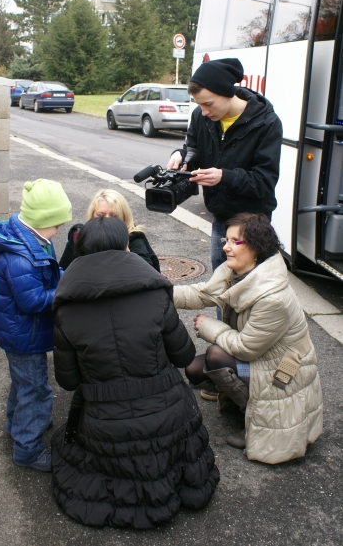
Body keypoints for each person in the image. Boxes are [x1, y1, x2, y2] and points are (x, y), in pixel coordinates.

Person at [51, 217, 219, 529]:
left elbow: (68, 380)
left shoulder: (65, 308)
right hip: (167, 418)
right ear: (126, 247)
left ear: (79, 250)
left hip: (105, 427)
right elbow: (183, 355)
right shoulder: (155, 293)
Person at [174, 213, 323, 465]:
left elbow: (245, 349)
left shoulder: (272, 298)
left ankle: (252, 419)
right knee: (193, 369)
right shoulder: (238, 272)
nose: (225, 247)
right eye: (226, 239)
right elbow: (201, 294)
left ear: (255, 247)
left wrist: (211, 326)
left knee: (215, 356)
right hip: (264, 357)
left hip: (285, 369)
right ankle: (239, 398)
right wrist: (158, 291)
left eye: (235, 242)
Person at [0, 179, 72, 472]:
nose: (59, 230)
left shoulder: (32, 240)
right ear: (40, 221)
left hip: (19, 332)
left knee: (23, 384)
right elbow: (33, 301)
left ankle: (16, 425)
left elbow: (47, 270)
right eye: (56, 224)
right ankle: (28, 449)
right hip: (24, 335)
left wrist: (63, 273)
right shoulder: (20, 257)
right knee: (36, 390)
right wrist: (64, 291)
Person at [167, 57, 283, 273]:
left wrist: (223, 176)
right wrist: (181, 155)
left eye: (207, 103)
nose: (203, 111)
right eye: (199, 104)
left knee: (249, 289)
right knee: (221, 289)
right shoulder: (201, 117)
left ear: (227, 92)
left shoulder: (267, 123)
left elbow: (264, 182)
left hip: (252, 223)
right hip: (221, 218)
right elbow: (192, 147)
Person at [59, 188, 160, 271]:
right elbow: (63, 271)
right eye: (100, 215)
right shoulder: (80, 236)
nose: (106, 220)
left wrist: (126, 252)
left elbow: (148, 274)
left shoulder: (134, 238)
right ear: (92, 215)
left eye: (114, 216)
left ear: (124, 217)